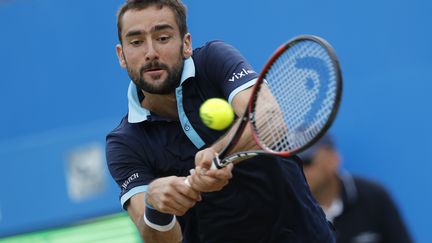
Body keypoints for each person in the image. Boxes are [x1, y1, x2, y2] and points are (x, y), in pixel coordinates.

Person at [106, 0, 335, 242]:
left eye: (163, 38)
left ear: (186, 44)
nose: (150, 52)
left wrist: (217, 153)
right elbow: (161, 239)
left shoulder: (214, 61)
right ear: (122, 55)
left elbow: (270, 121)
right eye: (136, 42)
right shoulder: (124, 144)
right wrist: (156, 205)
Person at [299, 134, 413, 243]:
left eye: (306, 161)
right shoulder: (288, 209)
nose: (299, 170)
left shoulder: (374, 197)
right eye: (294, 163)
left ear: (333, 160)